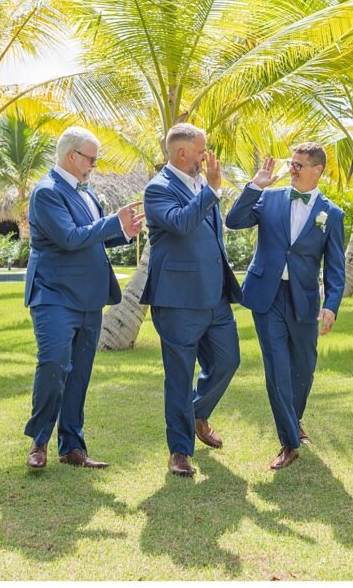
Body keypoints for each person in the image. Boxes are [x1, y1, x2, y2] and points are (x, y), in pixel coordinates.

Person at [23, 127, 144, 471]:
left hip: (89, 297)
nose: (94, 164)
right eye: (91, 158)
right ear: (71, 156)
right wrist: (111, 223)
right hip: (54, 295)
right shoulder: (46, 193)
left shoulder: (89, 194)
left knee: (79, 374)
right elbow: (69, 238)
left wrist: (123, 233)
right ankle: (39, 441)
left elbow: (93, 240)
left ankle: (72, 446)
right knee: (55, 363)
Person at [226, 143, 345, 470]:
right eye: (291, 164)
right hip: (267, 295)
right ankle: (289, 441)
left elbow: (335, 267)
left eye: (299, 165)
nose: (291, 169)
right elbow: (233, 221)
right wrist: (254, 187)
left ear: (317, 169)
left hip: (305, 299)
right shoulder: (269, 197)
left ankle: (294, 418)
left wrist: (332, 304)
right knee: (277, 368)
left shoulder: (331, 214)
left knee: (304, 367)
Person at [141, 123, 242, 477]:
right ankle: (179, 451)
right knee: (179, 377)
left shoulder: (202, 186)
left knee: (229, 361)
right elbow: (181, 224)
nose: (206, 156)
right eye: (201, 150)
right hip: (177, 301)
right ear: (182, 153)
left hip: (215, 297)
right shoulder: (158, 189)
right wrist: (211, 192)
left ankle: (197, 412)